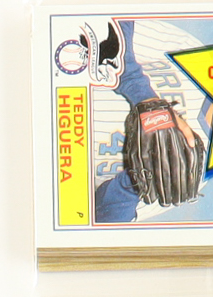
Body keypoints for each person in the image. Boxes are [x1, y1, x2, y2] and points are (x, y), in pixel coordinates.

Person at [83, 18, 198, 223]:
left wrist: (134, 183)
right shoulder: (195, 57)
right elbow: (110, 16)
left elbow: (99, 222)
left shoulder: (195, 172)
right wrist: (144, 96)